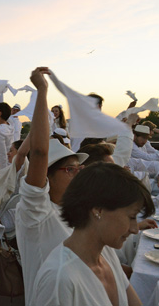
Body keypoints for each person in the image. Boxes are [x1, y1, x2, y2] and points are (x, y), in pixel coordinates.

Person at [15, 67, 89, 304]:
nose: (78, 175)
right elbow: (38, 152)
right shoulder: (36, 213)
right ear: (46, 178)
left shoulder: (72, 210)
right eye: (70, 170)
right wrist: (42, 91)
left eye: (80, 169)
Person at [34, 162, 153, 305]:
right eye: (131, 217)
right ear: (98, 210)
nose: (135, 229)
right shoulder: (59, 279)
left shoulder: (106, 253)